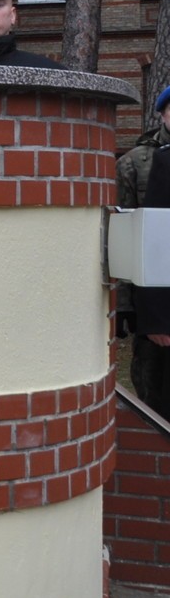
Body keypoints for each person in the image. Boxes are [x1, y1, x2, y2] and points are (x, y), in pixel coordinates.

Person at [119, 87, 170, 419]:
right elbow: (124, 237)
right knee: (155, 400)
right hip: (154, 299)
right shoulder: (137, 162)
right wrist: (126, 305)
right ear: (162, 114)